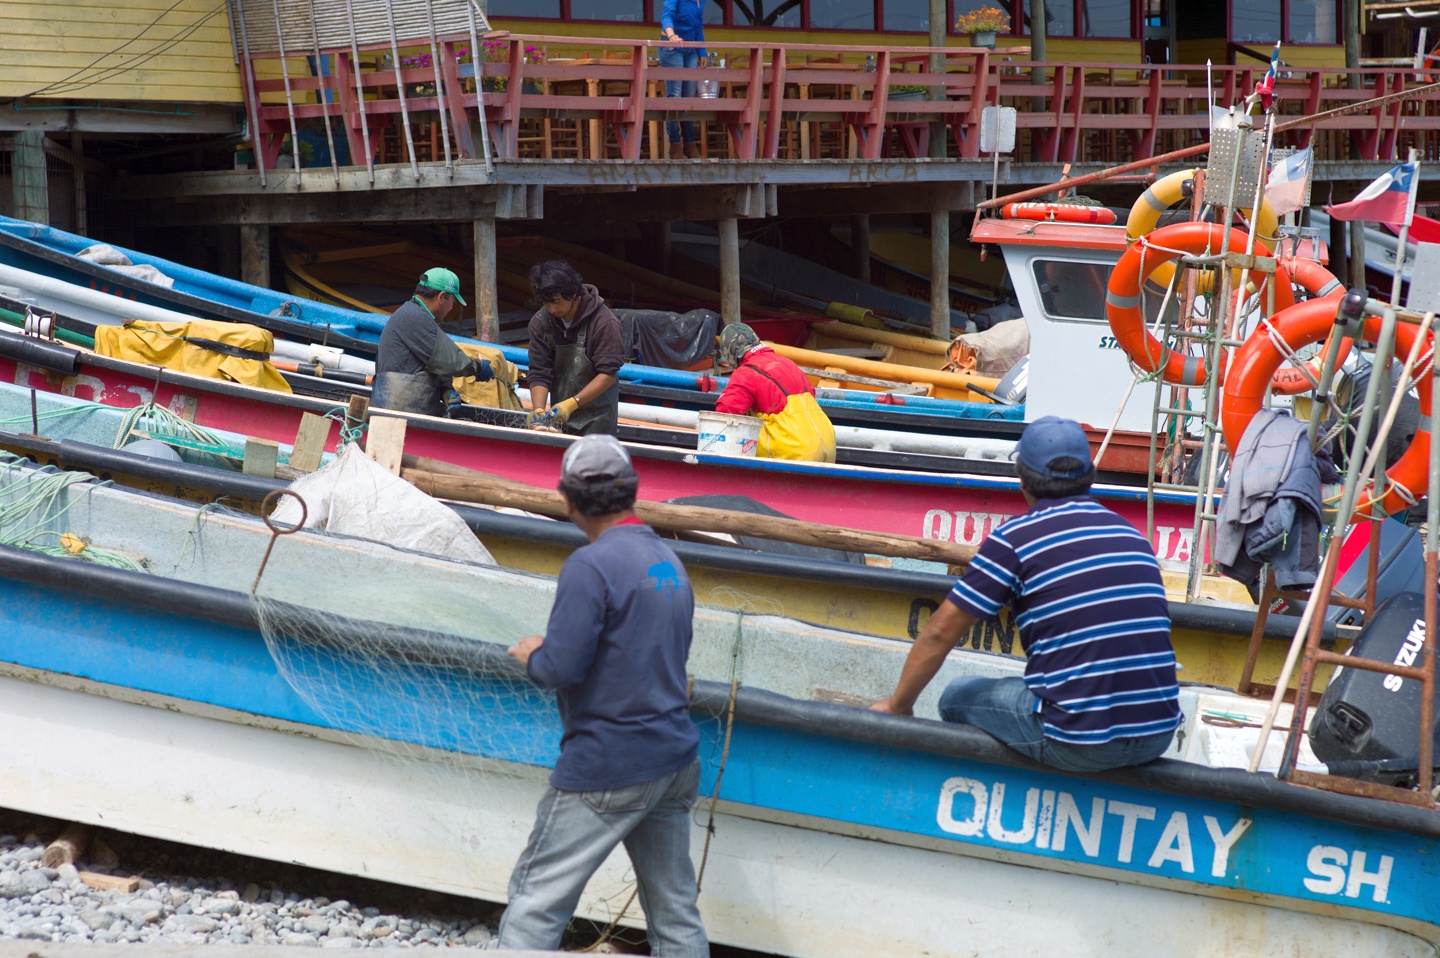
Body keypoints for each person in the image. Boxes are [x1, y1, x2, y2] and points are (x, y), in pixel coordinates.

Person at [870, 416, 1181, 772]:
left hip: (1077, 742)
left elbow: (941, 631)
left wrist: (898, 706)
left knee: (958, 695)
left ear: (1023, 482)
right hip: (1158, 734)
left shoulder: (1014, 540)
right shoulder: (1132, 535)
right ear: (1090, 476)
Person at [499, 435, 708, 958]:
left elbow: (560, 668)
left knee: (536, 902)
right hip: (674, 758)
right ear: (632, 492)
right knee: (675, 915)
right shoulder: (667, 562)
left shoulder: (589, 567)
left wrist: (531, 654)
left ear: (566, 499)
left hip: (609, 763)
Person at [373, 267, 492, 416]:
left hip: (397, 410)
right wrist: (478, 366)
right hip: (397, 415)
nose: (451, 308)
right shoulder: (415, 317)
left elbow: (426, 362)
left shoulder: (412, 313)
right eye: (453, 302)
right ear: (441, 297)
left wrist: (445, 389)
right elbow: (449, 360)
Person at [526, 261, 624, 436]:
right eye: (545, 303)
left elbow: (608, 374)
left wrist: (572, 403)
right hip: (559, 420)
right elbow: (539, 370)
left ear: (572, 294)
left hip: (598, 420)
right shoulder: (540, 322)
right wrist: (539, 410)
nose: (551, 309)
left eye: (556, 302)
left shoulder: (604, 323)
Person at [713, 323, 836, 462]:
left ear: (730, 353)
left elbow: (725, 413)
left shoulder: (746, 372)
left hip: (794, 452)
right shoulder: (788, 363)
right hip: (827, 444)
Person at [660, 0, 706, 159]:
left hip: (691, 47)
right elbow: (667, 15)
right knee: (675, 96)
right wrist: (672, 35)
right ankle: (675, 145)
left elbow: (698, 26)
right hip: (673, 47)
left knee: (688, 98)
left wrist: (702, 51)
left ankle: (690, 144)